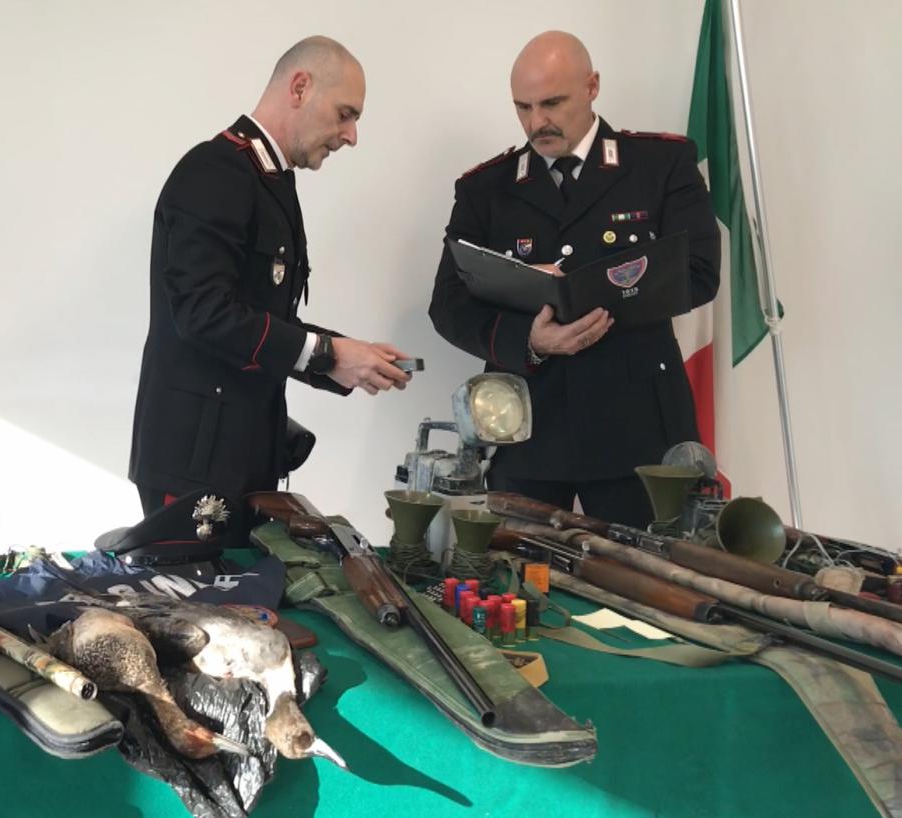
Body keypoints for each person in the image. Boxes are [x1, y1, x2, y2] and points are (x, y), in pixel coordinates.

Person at [429, 31, 719, 527]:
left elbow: (700, 272)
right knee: (517, 570)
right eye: (522, 107)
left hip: (638, 430)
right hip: (528, 428)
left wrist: (587, 292)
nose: (535, 122)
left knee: (645, 568)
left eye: (551, 103)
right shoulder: (486, 188)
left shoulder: (659, 165)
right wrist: (530, 340)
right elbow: (449, 303)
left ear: (592, 86)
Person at [129, 36, 413, 543]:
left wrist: (346, 356)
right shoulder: (215, 171)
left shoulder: (269, 180)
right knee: (199, 595)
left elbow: (259, 319)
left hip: (239, 455)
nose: (351, 136)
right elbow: (203, 313)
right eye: (345, 114)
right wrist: (325, 353)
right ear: (300, 87)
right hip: (194, 465)